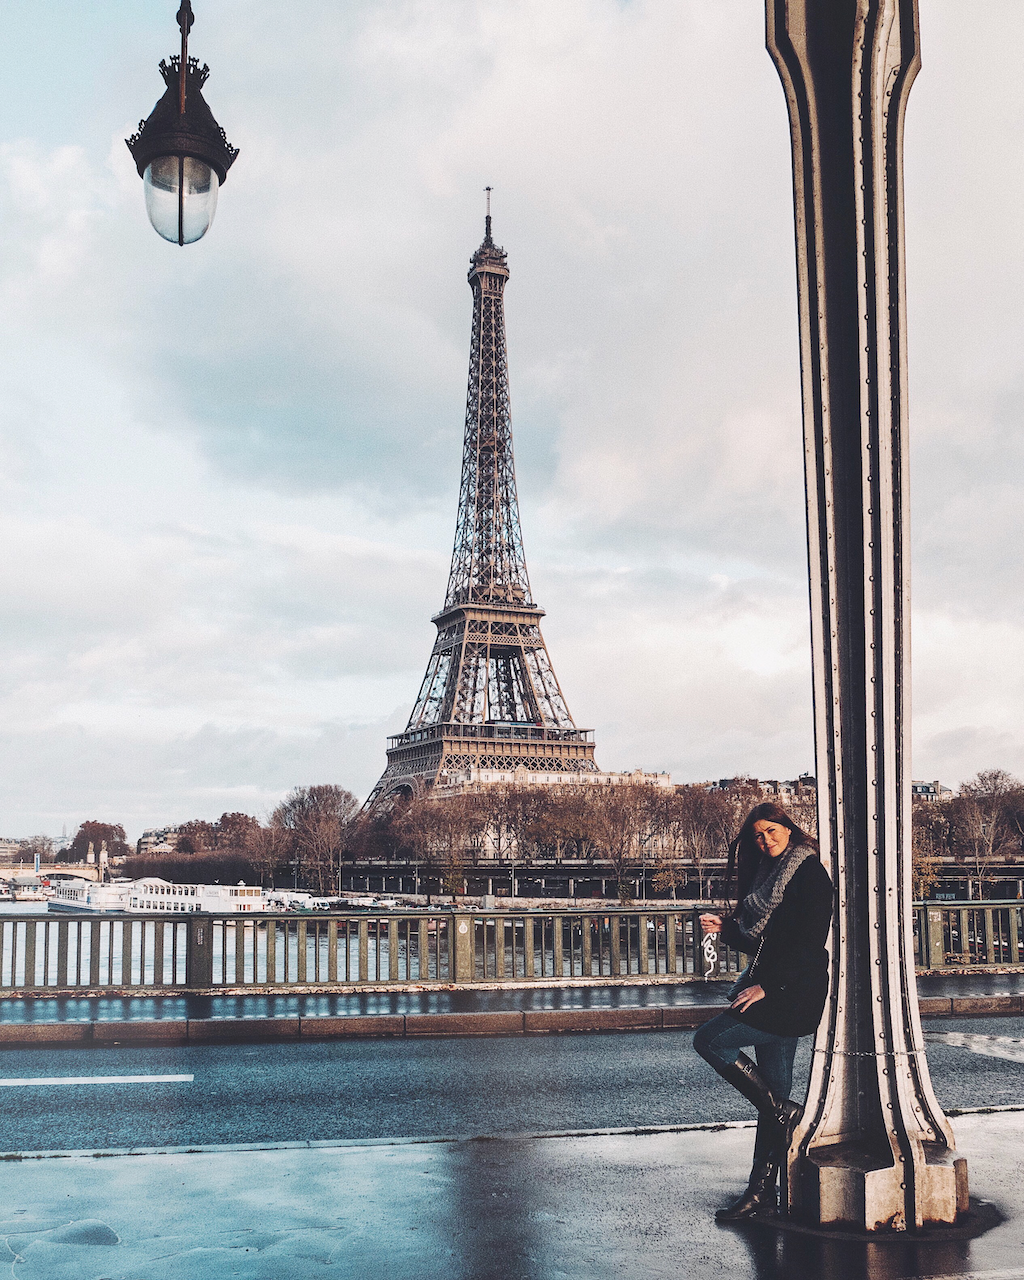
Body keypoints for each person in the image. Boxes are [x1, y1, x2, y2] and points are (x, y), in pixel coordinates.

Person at [692, 802, 832, 1221]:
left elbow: (809, 945)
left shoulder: (810, 875)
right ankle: (760, 1192)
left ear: (790, 830)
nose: (765, 840)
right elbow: (767, 945)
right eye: (757, 835)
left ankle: (784, 1111)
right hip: (774, 989)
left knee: (710, 1040)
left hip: (789, 994)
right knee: (770, 1089)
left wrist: (767, 986)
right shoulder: (769, 876)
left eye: (772, 831)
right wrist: (727, 930)